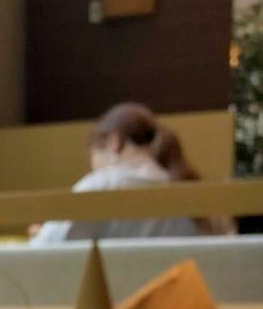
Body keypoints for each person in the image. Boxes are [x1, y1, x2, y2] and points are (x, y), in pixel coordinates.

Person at [30, 102, 231, 244]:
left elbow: (44, 248)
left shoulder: (100, 186)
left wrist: (41, 233)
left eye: (94, 153)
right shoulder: (186, 192)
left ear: (114, 142)